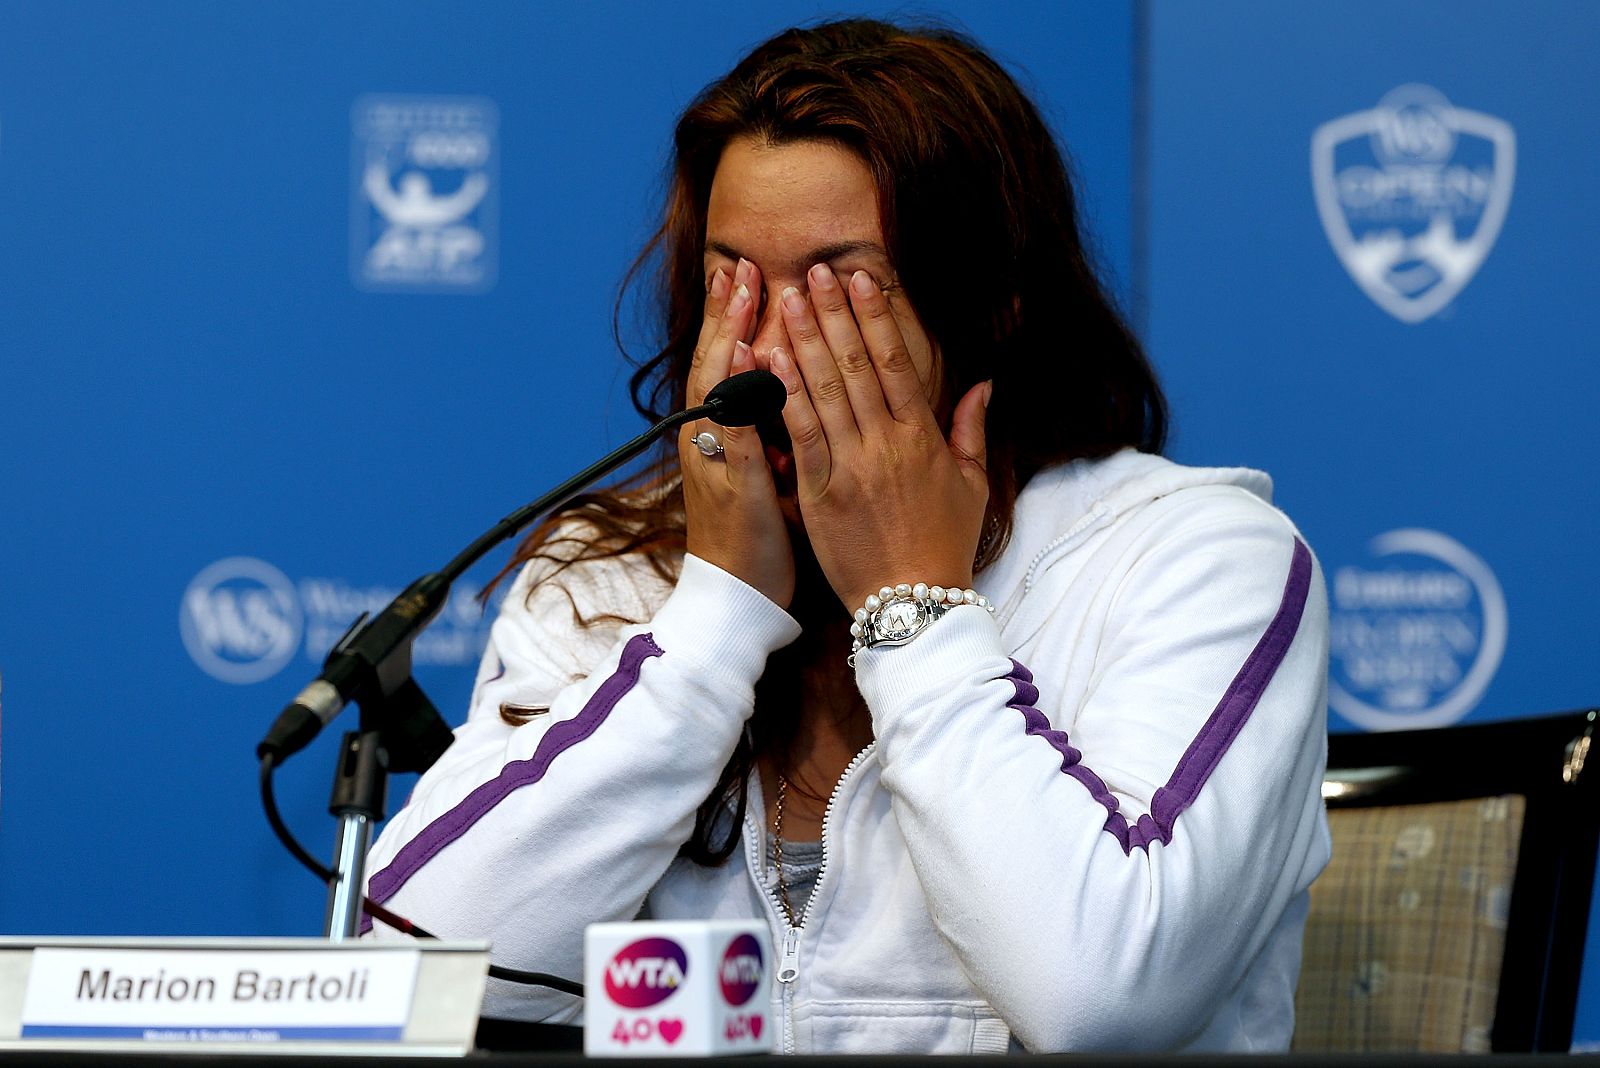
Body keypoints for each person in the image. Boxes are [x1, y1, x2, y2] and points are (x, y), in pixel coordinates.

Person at [363, 18, 1331, 1054]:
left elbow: (1098, 1001)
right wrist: (715, 617)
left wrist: (913, 607)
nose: (768, 357)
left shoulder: (1196, 561)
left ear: (995, 306)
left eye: (840, 289)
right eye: (733, 282)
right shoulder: (607, 574)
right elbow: (422, 976)